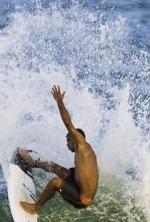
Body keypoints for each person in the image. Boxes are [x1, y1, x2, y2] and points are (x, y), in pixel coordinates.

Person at [19, 85, 99, 214]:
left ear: (74, 139)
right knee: (56, 168)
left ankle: (35, 208)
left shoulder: (81, 145)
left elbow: (68, 123)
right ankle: (31, 163)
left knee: (55, 182)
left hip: (82, 198)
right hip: (78, 185)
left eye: (68, 140)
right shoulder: (85, 149)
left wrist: (59, 100)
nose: (67, 144)